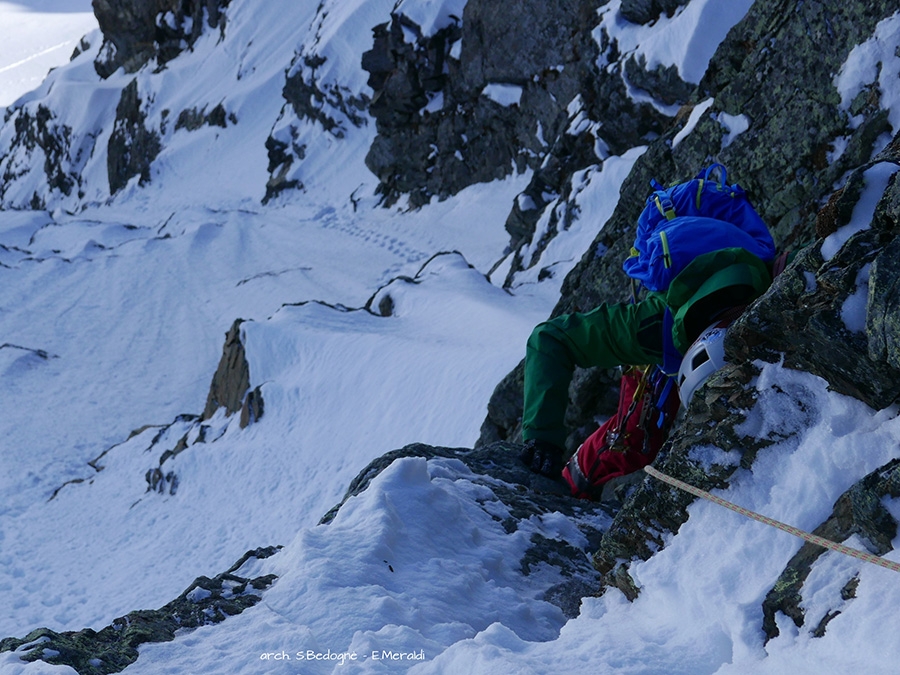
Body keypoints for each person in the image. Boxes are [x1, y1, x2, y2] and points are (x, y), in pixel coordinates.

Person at [520, 222, 779, 478]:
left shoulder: (770, 298)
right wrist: (542, 438)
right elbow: (550, 338)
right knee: (633, 441)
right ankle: (574, 480)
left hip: (719, 272)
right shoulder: (648, 328)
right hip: (667, 326)